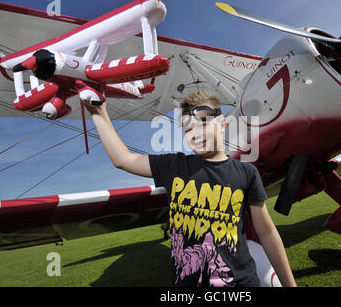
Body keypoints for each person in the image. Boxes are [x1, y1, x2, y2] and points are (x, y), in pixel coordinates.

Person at [83, 91, 296, 287]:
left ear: (223, 123)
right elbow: (123, 159)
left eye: (203, 123)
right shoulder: (173, 165)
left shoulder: (247, 173)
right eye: (187, 129)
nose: (194, 133)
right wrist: (98, 112)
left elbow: (266, 232)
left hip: (241, 284)